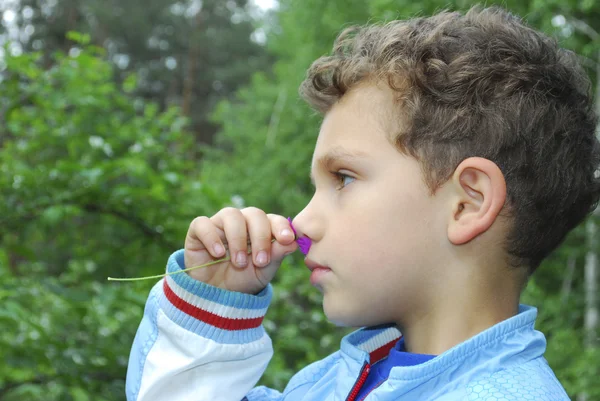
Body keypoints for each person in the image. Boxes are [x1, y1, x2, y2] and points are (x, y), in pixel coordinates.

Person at [125, 5, 600, 401]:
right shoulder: (328, 383)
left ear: (468, 204)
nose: (304, 221)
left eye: (344, 178)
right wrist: (215, 308)